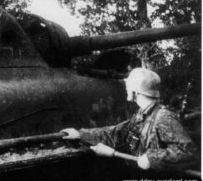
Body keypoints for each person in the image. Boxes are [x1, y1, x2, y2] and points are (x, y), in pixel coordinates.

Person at [61, 67, 197, 171]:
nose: (126, 89)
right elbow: (115, 133)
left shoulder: (163, 116)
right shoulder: (141, 115)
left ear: (136, 91)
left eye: (128, 86)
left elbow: (189, 152)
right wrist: (80, 134)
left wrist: (152, 158)